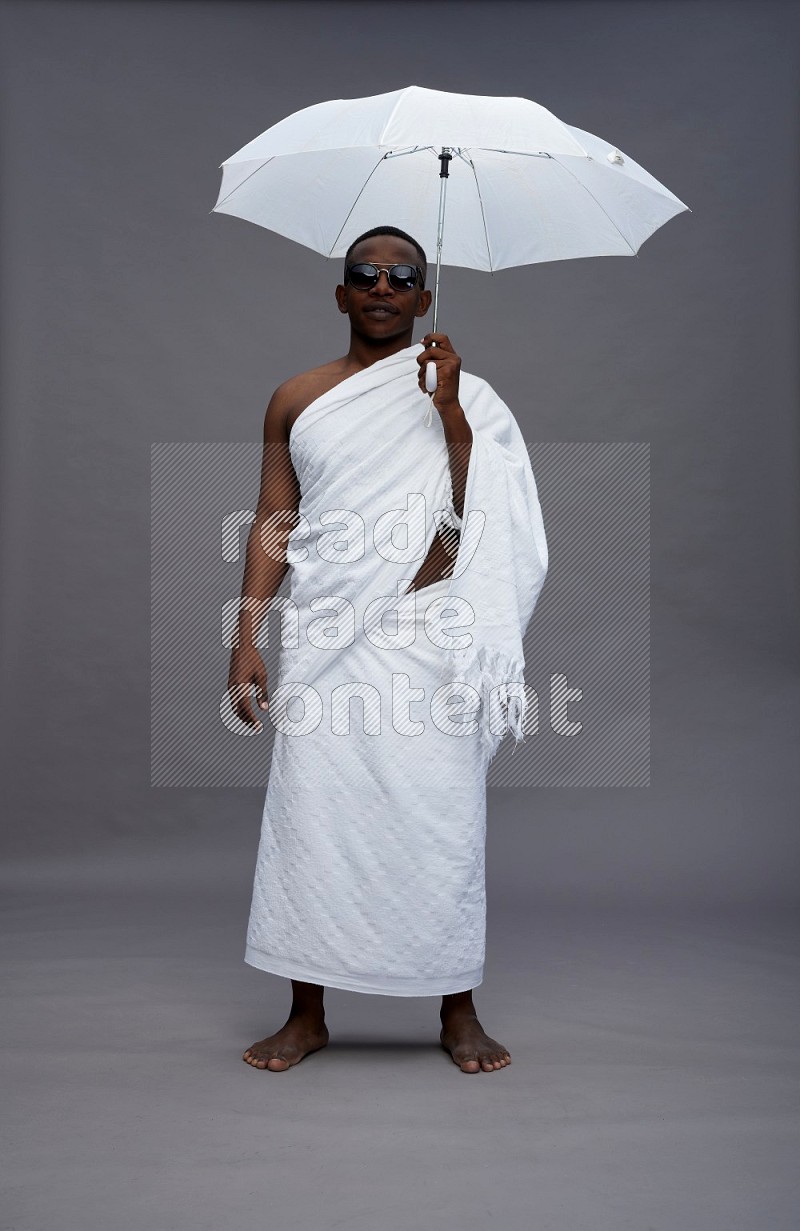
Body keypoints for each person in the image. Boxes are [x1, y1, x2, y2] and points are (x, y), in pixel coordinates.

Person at [228, 225, 548, 1074]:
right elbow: (275, 518)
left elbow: (482, 516)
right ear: (340, 293)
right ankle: (306, 1013)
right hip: (330, 635)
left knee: (440, 816)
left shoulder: (466, 398)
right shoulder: (296, 397)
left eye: (402, 275)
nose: (382, 286)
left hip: (428, 637)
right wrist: (246, 631)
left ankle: (456, 1006)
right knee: (313, 817)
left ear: (423, 297)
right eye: (364, 275)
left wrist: (446, 411)